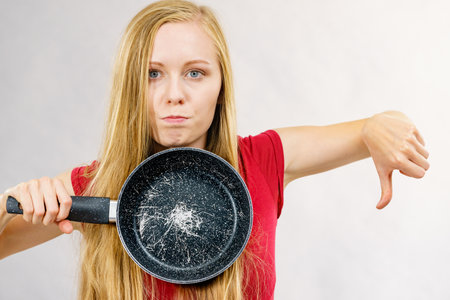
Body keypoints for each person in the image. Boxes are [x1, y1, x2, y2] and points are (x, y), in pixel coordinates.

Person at [0, 0, 430, 299]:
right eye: (152, 74)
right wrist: (10, 202)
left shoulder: (262, 162)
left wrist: (385, 125)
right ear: (129, 86)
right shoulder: (90, 189)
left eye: (195, 73)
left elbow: (370, 129)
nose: (174, 94)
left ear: (221, 86)